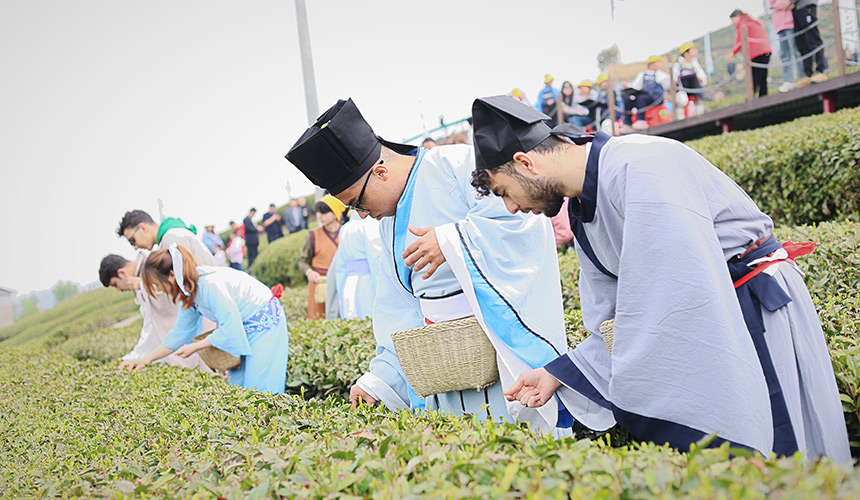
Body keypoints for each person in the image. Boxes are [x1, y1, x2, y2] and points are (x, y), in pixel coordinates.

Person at [468, 95, 851, 463]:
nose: (513, 207)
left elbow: (668, 295)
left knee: (791, 454)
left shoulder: (639, 164)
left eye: (505, 191)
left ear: (525, 162)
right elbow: (616, 319)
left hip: (755, 310)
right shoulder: (585, 208)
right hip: (723, 310)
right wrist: (558, 372)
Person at [286, 98, 569, 434]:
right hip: (444, 371)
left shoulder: (457, 164)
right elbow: (398, 309)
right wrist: (379, 380)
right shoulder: (387, 225)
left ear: (380, 171)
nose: (362, 214)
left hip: (503, 356)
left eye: (358, 203)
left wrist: (452, 241)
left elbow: (520, 221)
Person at [118, 244, 290, 394]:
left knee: (261, 391)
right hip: (245, 332)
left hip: (265, 327)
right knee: (241, 392)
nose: (160, 290)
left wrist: (195, 347)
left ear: (171, 275)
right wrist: (145, 359)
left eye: (157, 284)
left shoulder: (211, 285)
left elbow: (230, 328)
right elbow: (179, 334)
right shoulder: (190, 293)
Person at [98, 253, 211, 372]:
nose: (118, 289)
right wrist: (145, 358)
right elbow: (179, 331)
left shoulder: (148, 275)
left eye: (156, 285)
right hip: (190, 342)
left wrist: (138, 356)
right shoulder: (188, 305)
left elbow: (151, 326)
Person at [297, 195, 343, 319]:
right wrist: (309, 272)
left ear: (335, 214)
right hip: (319, 283)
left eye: (323, 212)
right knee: (317, 318)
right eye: (318, 212)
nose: (319, 216)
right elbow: (303, 260)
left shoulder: (346, 233)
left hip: (341, 282)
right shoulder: (313, 235)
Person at [331, 210, 382, 319]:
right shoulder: (370, 225)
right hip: (368, 282)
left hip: (349, 282)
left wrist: (341, 288)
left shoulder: (345, 228)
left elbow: (340, 266)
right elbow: (375, 258)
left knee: (352, 318)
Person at [117, 210, 215, 266]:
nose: (135, 247)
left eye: (132, 241)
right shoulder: (169, 237)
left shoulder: (172, 239)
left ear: (143, 227)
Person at [728, 10, 773, 97]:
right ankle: (763, 96)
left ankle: (751, 97)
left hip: (756, 53)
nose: (733, 23)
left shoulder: (743, 23)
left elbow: (740, 39)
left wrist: (733, 52)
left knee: (753, 77)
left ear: (738, 17)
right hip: (766, 50)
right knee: (763, 75)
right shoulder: (753, 21)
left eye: (733, 20)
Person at [622, 56, 670, 128]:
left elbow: (668, 85)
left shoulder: (660, 74)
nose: (660, 64)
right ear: (652, 64)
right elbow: (635, 86)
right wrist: (627, 85)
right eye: (658, 62)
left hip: (656, 98)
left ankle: (641, 120)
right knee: (630, 100)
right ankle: (627, 123)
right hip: (644, 96)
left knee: (641, 98)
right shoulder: (642, 74)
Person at [791, 0, 828, 87]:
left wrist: (789, 1)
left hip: (807, 5)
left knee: (814, 39)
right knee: (802, 44)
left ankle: (821, 70)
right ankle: (807, 74)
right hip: (797, 8)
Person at [770, 0, 804, 92]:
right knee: (784, 56)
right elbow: (771, 4)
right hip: (779, 27)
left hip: (790, 24)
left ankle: (802, 77)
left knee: (796, 52)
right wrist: (781, 4)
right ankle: (788, 81)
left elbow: (789, 3)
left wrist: (777, 4)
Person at [673, 42, 708, 116]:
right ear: (686, 53)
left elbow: (704, 79)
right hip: (683, 95)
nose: (695, 51)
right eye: (693, 50)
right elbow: (674, 80)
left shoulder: (695, 64)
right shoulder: (677, 66)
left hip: (696, 93)